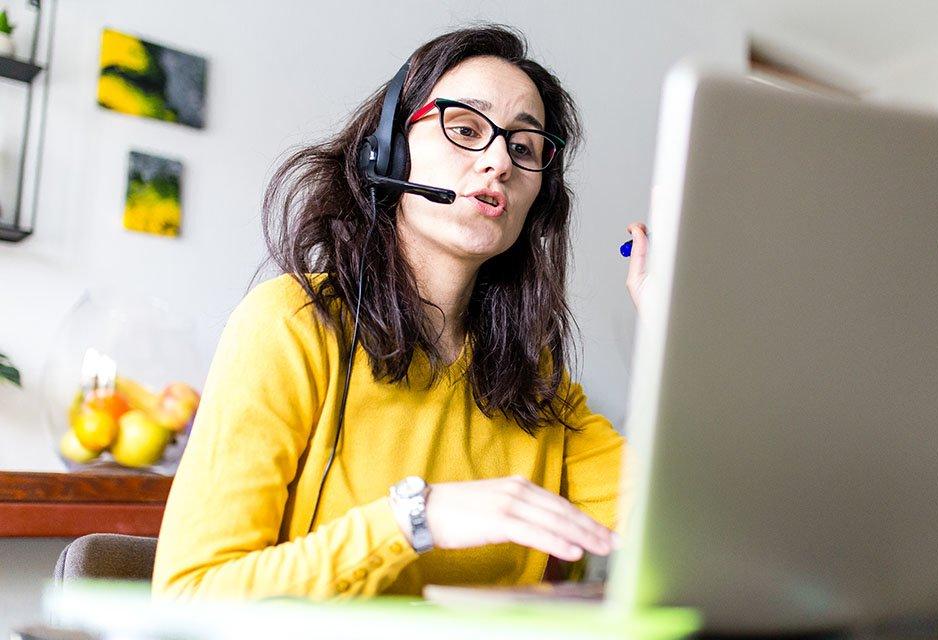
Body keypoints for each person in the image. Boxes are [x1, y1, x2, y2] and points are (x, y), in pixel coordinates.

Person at [152, 24, 650, 601]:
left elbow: (693, 530)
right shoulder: (291, 323)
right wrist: (415, 519)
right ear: (387, 149)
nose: (499, 162)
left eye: (523, 147)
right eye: (465, 128)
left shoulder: (532, 379)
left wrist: (678, 332)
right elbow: (189, 594)